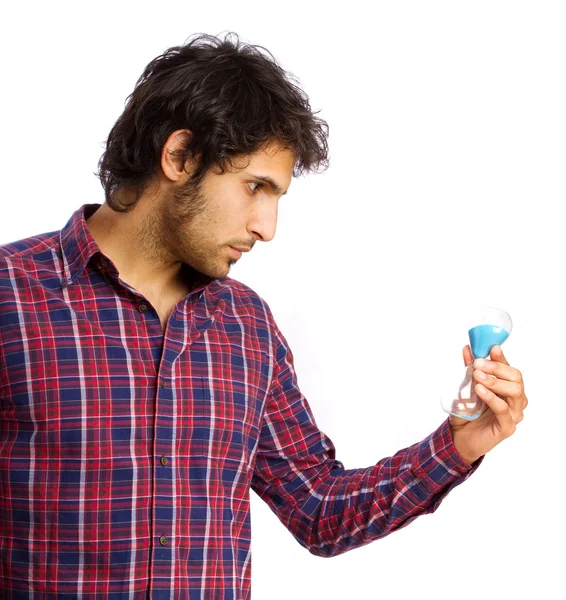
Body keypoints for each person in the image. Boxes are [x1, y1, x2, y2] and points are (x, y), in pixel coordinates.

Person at [0, 32, 527, 598]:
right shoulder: (12, 295)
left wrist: (459, 444)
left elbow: (320, 510)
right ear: (180, 156)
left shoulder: (246, 326)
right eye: (255, 187)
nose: (267, 228)